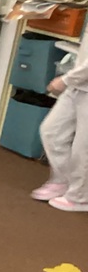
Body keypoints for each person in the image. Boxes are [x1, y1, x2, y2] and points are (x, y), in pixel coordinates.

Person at [32, 36, 88, 211]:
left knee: (83, 147)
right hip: (78, 85)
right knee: (51, 130)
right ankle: (63, 180)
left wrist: (65, 80)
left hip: (77, 82)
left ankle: (80, 197)